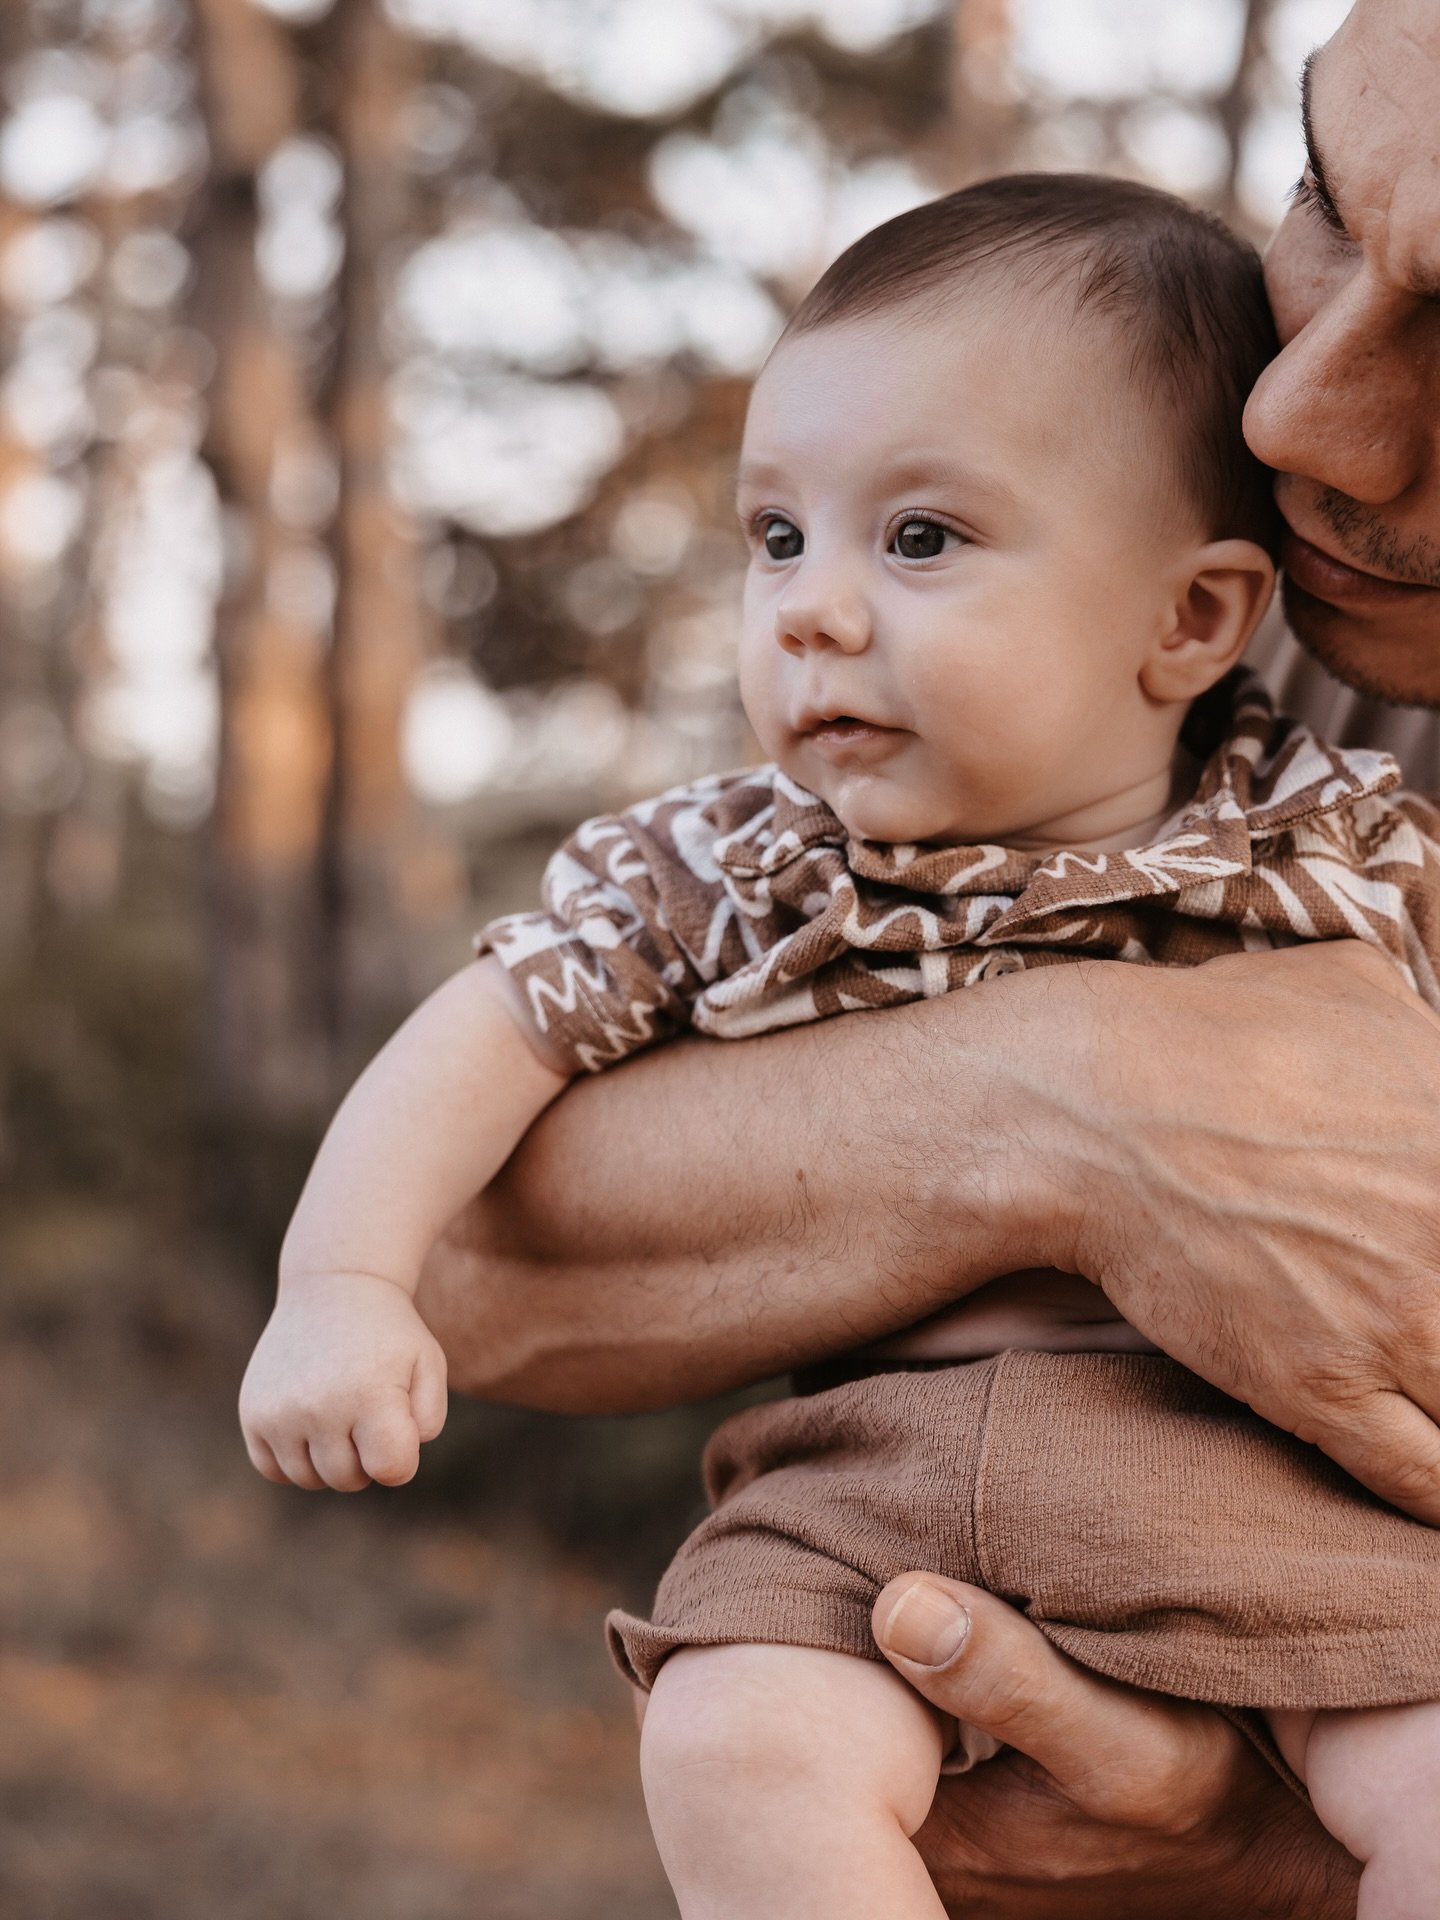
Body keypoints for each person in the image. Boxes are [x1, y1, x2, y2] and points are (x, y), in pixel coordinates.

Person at [239, 164, 1440, 1915]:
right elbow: (491, 1030)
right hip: (868, 1495)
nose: (804, 606)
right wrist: (342, 1279)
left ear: (1190, 620)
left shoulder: (1330, 834)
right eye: (777, 536)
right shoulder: (742, 861)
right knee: (732, 1743)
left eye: (924, 540)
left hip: (1277, 1500)